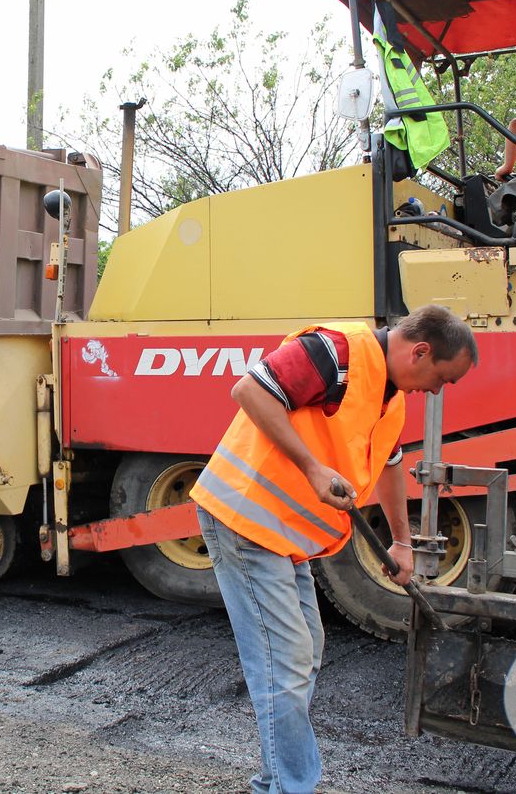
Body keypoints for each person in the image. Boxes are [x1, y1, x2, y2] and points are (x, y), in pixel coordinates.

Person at [190, 304, 477, 794]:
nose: (436, 391)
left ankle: (281, 775)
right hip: (244, 516)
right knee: (287, 660)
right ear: (421, 351)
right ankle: (286, 786)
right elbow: (250, 390)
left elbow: (388, 468)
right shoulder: (339, 350)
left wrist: (403, 544)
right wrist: (312, 467)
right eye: (441, 379)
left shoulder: (392, 399)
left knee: (307, 651)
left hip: (282, 532)